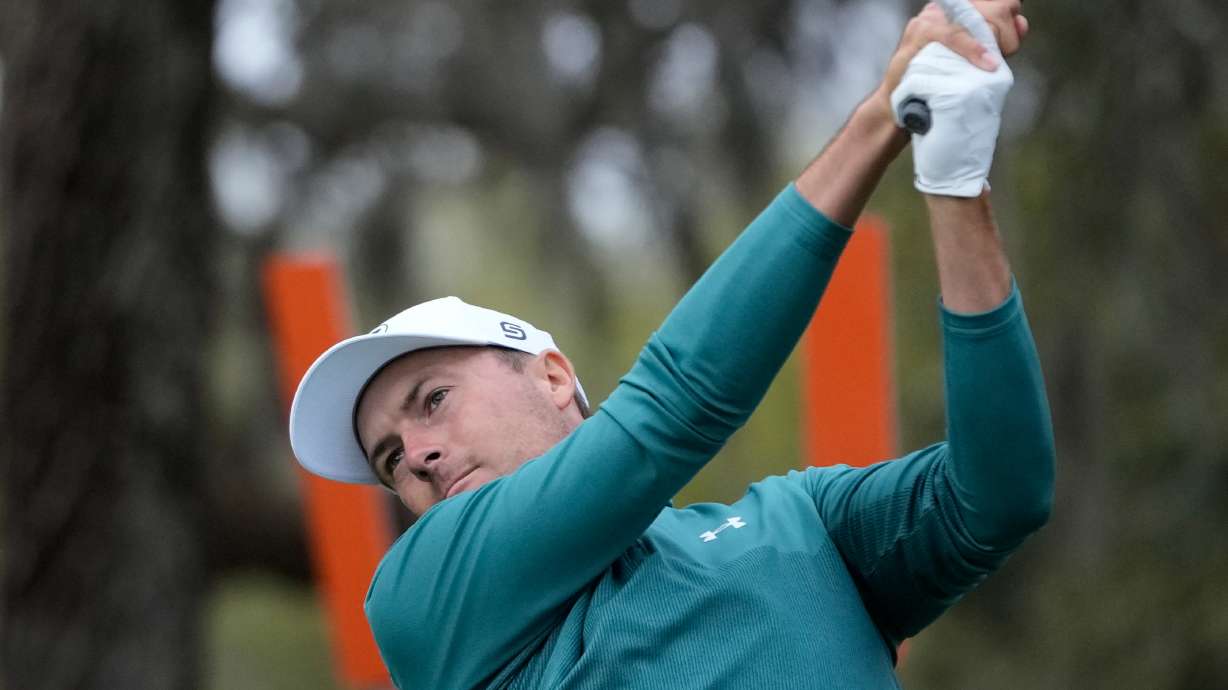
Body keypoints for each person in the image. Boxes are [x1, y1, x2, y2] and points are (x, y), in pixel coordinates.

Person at [288, 0, 1054, 687]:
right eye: (389, 459)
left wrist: (955, 179)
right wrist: (882, 117)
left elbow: (1000, 495)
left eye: (434, 399)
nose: (415, 457)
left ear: (553, 378)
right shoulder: (422, 597)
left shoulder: (800, 522)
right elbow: (674, 408)